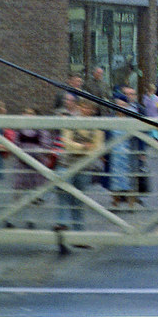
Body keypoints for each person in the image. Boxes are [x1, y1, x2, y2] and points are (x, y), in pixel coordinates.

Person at [54, 100, 103, 237]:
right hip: (66, 164)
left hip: (85, 166)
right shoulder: (70, 122)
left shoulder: (97, 126)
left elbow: (98, 148)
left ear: (93, 110)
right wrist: (83, 147)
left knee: (79, 200)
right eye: (84, 106)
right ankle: (62, 224)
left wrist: (81, 147)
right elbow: (66, 143)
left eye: (90, 107)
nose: (86, 109)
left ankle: (79, 234)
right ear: (78, 107)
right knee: (63, 192)